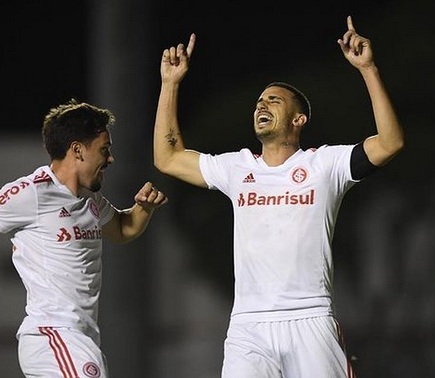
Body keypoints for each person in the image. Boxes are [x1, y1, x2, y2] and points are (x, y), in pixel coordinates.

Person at [153, 15, 404, 378]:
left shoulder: (324, 164)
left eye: (273, 100)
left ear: (299, 119)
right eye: (258, 102)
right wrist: (170, 84)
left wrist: (368, 69)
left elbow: (391, 143)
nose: (261, 106)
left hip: (311, 319)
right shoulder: (236, 168)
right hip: (249, 325)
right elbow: (168, 158)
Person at [0, 99, 168, 378]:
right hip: (52, 333)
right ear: (77, 150)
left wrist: (144, 208)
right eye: (104, 149)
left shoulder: (91, 199)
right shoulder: (33, 193)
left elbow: (123, 229)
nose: (110, 159)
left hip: (81, 335)